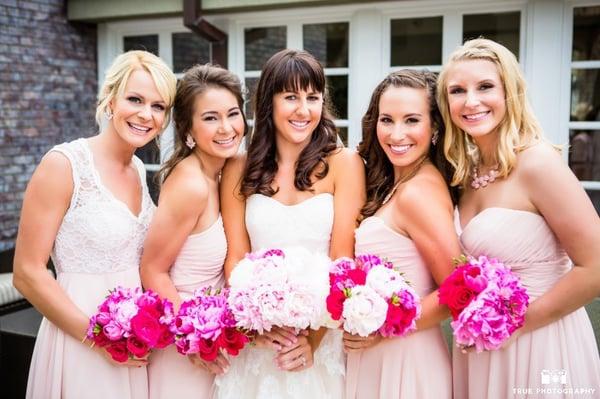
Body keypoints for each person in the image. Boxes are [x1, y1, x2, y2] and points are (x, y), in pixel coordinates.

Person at [437, 38, 600, 398]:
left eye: (485, 87)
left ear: (509, 92)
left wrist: (515, 327)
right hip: (482, 347)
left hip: (541, 341)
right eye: (457, 91)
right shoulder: (466, 174)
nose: (471, 101)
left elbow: (596, 268)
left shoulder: (538, 163)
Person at [12, 50, 177, 399]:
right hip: (80, 341)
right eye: (135, 99)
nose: (146, 115)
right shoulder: (63, 164)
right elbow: (27, 272)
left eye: (158, 106)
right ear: (111, 99)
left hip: (132, 347)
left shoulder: (136, 171)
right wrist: (97, 337)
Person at [214, 49, 365, 399]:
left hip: (320, 338)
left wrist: (313, 339)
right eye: (291, 97)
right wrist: (254, 327)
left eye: (313, 97)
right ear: (269, 102)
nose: (304, 110)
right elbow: (236, 257)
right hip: (259, 343)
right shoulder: (238, 167)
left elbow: (343, 260)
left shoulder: (345, 164)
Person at [343, 70, 458, 399]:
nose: (396, 134)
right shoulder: (396, 184)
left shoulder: (417, 192)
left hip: (406, 357)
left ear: (434, 127)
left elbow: (456, 290)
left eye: (411, 120)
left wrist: (384, 327)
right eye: (386, 120)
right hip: (380, 353)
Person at [140, 64, 247, 399]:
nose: (227, 128)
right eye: (211, 118)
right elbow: (152, 271)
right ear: (188, 129)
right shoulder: (191, 184)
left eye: (233, 114)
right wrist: (194, 339)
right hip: (183, 353)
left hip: (214, 345)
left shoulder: (223, 173)